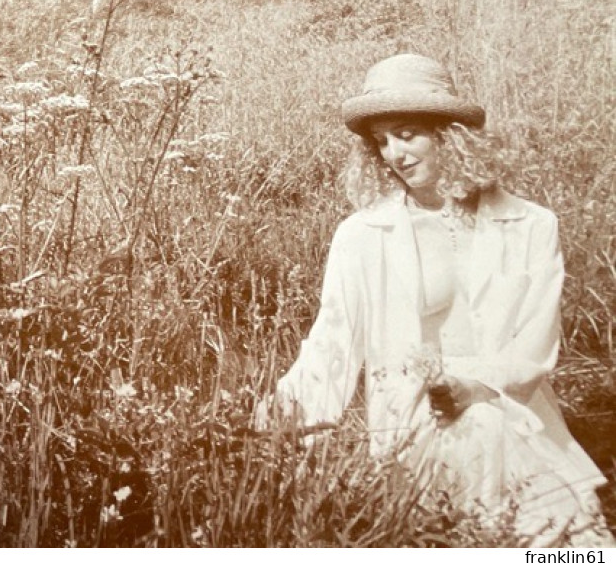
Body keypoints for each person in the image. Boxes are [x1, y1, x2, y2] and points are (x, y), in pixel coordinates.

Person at [256, 53, 609, 546]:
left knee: (570, 552)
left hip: (511, 411)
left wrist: (472, 387)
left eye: (406, 133)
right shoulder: (363, 234)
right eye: (381, 141)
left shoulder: (530, 224)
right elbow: (333, 340)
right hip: (416, 417)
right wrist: (275, 428)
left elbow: (534, 344)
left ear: (449, 133)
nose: (393, 154)